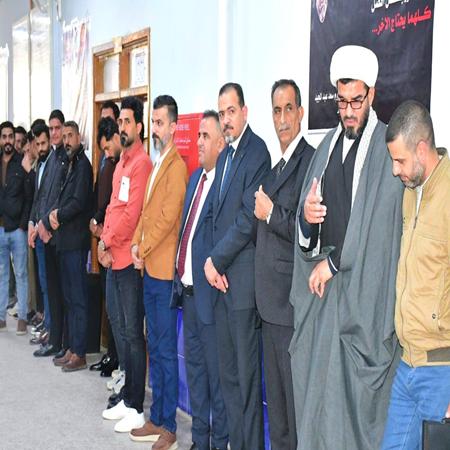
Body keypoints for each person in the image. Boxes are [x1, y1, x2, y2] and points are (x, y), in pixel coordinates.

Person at [290, 45, 404, 449]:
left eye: (356, 101)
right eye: (342, 102)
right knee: (318, 411)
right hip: (324, 305)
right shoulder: (324, 149)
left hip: (362, 306)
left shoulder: (386, 150)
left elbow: (382, 231)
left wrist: (336, 263)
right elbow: (305, 224)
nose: (349, 111)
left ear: (372, 94)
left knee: (353, 420)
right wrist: (307, 217)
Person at [204, 82, 271, 450]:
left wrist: (216, 259)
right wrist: (213, 266)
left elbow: (248, 219)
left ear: (244, 112)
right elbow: (216, 217)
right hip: (221, 285)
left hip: (242, 289)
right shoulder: (226, 155)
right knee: (229, 379)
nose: (226, 119)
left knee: (247, 385)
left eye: (231, 111)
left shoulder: (257, 152)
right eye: (222, 113)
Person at [381, 100, 450, 449]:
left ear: (422, 149)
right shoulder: (411, 192)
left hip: (442, 370)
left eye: (401, 161)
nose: (396, 170)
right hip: (407, 365)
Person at [254, 79, 314, 450]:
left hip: (290, 307)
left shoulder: (311, 162)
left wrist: (271, 212)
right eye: (276, 111)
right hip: (268, 306)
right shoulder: (274, 168)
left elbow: (309, 231)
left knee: (294, 412)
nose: (282, 119)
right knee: (276, 414)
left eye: (288, 109)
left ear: (301, 112)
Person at [129, 95, 188, 450]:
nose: (154, 128)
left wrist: (144, 247)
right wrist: (136, 244)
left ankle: (169, 425)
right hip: (149, 269)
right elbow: (145, 214)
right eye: (153, 122)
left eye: (160, 123)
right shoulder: (156, 163)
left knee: (165, 351)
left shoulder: (176, 167)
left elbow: (167, 219)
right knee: (155, 345)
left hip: (164, 272)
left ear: (174, 126)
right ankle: (157, 416)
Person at [171, 110, 228, 450]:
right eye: (199, 135)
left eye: (206, 136)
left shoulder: (224, 184)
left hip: (212, 301)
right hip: (189, 297)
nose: (199, 142)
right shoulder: (195, 179)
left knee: (216, 381)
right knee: (195, 376)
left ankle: (219, 443)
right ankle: (200, 441)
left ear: (221, 143)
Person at [100, 96, 152, 433]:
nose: (122, 127)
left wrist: (107, 240)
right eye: (120, 122)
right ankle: (126, 393)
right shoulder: (120, 162)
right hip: (112, 258)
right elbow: (111, 207)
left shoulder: (141, 164)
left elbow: (133, 215)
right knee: (119, 329)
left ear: (139, 126)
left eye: (127, 122)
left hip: (129, 262)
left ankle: (135, 403)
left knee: (133, 333)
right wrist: (103, 243)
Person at [49, 121, 93, 372]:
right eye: (63, 136)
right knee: (68, 297)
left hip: (76, 241)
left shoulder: (83, 165)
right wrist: (55, 213)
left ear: (78, 137)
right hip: (64, 240)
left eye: (69, 136)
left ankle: (80, 352)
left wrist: (58, 214)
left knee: (78, 298)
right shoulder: (70, 163)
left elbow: (77, 202)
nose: (66, 141)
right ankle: (72, 348)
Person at [30, 109, 69, 358]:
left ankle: (58, 340)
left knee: (59, 292)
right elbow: (42, 195)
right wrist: (34, 222)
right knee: (50, 290)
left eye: (57, 128)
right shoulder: (52, 157)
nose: (54, 133)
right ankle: (54, 338)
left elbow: (59, 199)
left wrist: (45, 224)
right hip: (44, 233)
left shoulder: (65, 158)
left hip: (57, 235)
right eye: (51, 128)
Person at [89, 116, 121, 377]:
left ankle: (117, 361)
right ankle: (111, 355)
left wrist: (102, 230)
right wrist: (95, 220)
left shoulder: (122, 165)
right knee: (109, 308)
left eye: (108, 147)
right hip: (103, 238)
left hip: (116, 246)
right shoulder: (108, 162)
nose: (107, 153)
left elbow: (115, 205)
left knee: (119, 314)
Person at [0, 121, 33, 333]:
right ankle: (1, 317)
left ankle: (22, 317)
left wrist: (23, 225)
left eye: (10, 136)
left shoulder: (22, 162)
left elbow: (29, 196)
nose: (8, 140)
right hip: (0, 229)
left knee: (21, 273)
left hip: (18, 230)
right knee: (2, 274)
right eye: (4, 136)